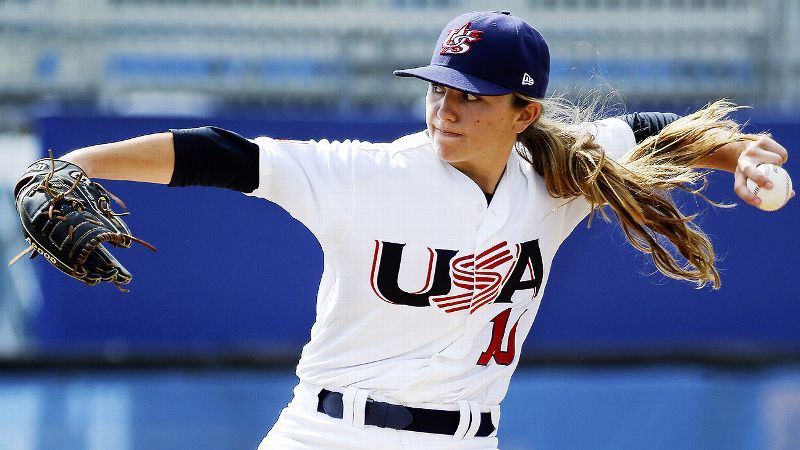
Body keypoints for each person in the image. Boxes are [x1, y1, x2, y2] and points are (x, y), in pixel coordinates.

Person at [23, 10, 792, 450]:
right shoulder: (373, 174)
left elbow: (658, 132)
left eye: (472, 96)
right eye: (439, 88)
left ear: (524, 113)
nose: (446, 109)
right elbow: (224, 155)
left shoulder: (558, 173)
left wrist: (740, 157)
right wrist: (74, 164)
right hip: (329, 435)